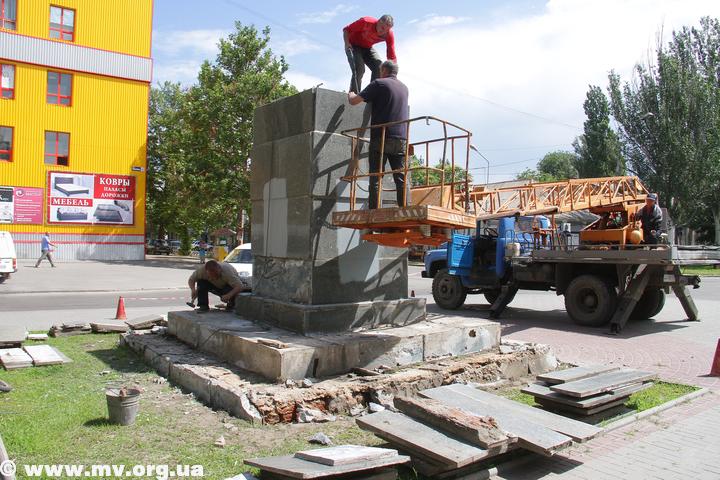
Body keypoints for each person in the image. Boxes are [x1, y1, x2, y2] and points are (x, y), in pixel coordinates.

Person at [348, 60, 409, 209]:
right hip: (401, 138)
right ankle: (405, 208)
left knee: (375, 176)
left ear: (384, 71)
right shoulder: (404, 88)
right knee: (401, 177)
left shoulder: (379, 84)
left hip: (381, 137)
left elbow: (354, 101)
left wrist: (351, 94)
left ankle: (374, 211)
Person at [343, 14, 396, 93]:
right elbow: (346, 30)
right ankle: (354, 94)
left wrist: (393, 73)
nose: (383, 32)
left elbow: (391, 54)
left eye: (386, 30)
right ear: (378, 22)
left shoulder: (388, 34)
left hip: (367, 48)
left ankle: (371, 94)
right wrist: (347, 43)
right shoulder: (366, 22)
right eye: (382, 28)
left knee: (380, 67)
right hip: (354, 45)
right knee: (360, 69)